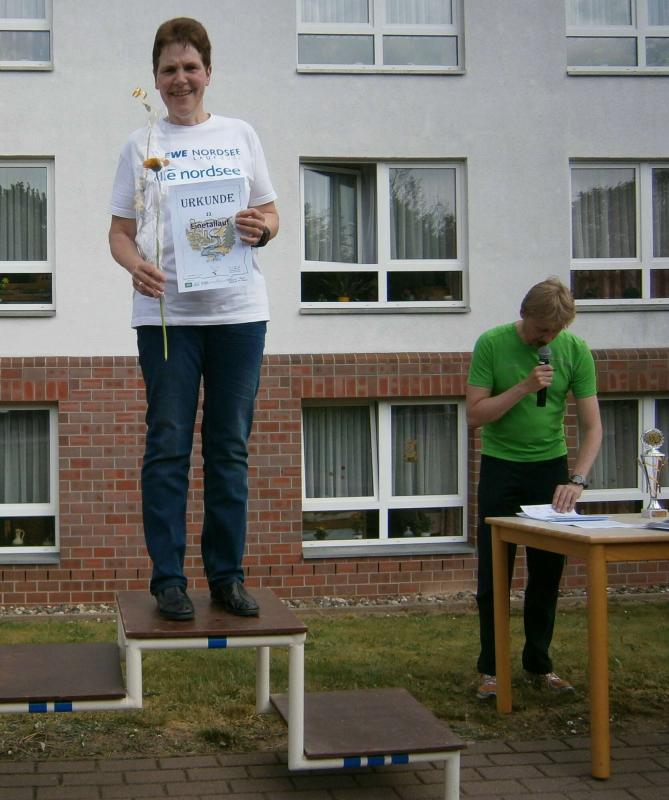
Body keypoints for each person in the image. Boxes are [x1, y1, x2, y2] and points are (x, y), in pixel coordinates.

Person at [109, 18, 279, 621]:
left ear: (208, 72)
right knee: (167, 446)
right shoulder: (140, 144)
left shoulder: (240, 134)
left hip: (238, 315)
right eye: (168, 70)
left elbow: (270, 213)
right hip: (168, 317)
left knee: (229, 448)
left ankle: (227, 577)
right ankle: (169, 580)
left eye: (190, 67)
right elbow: (120, 232)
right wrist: (135, 265)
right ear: (155, 78)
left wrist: (262, 228)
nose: (180, 79)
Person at [466, 277, 602, 699]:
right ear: (525, 315)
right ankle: (491, 670)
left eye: (556, 331)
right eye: (543, 329)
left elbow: (593, 426)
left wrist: (576, 479)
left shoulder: (575, 350)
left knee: (546, 574)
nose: (548, 338)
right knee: (494, 575)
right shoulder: (491, 344)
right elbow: (475, 415)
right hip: (501, 468)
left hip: (550, 471)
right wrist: (525, 386)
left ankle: (539, 664)